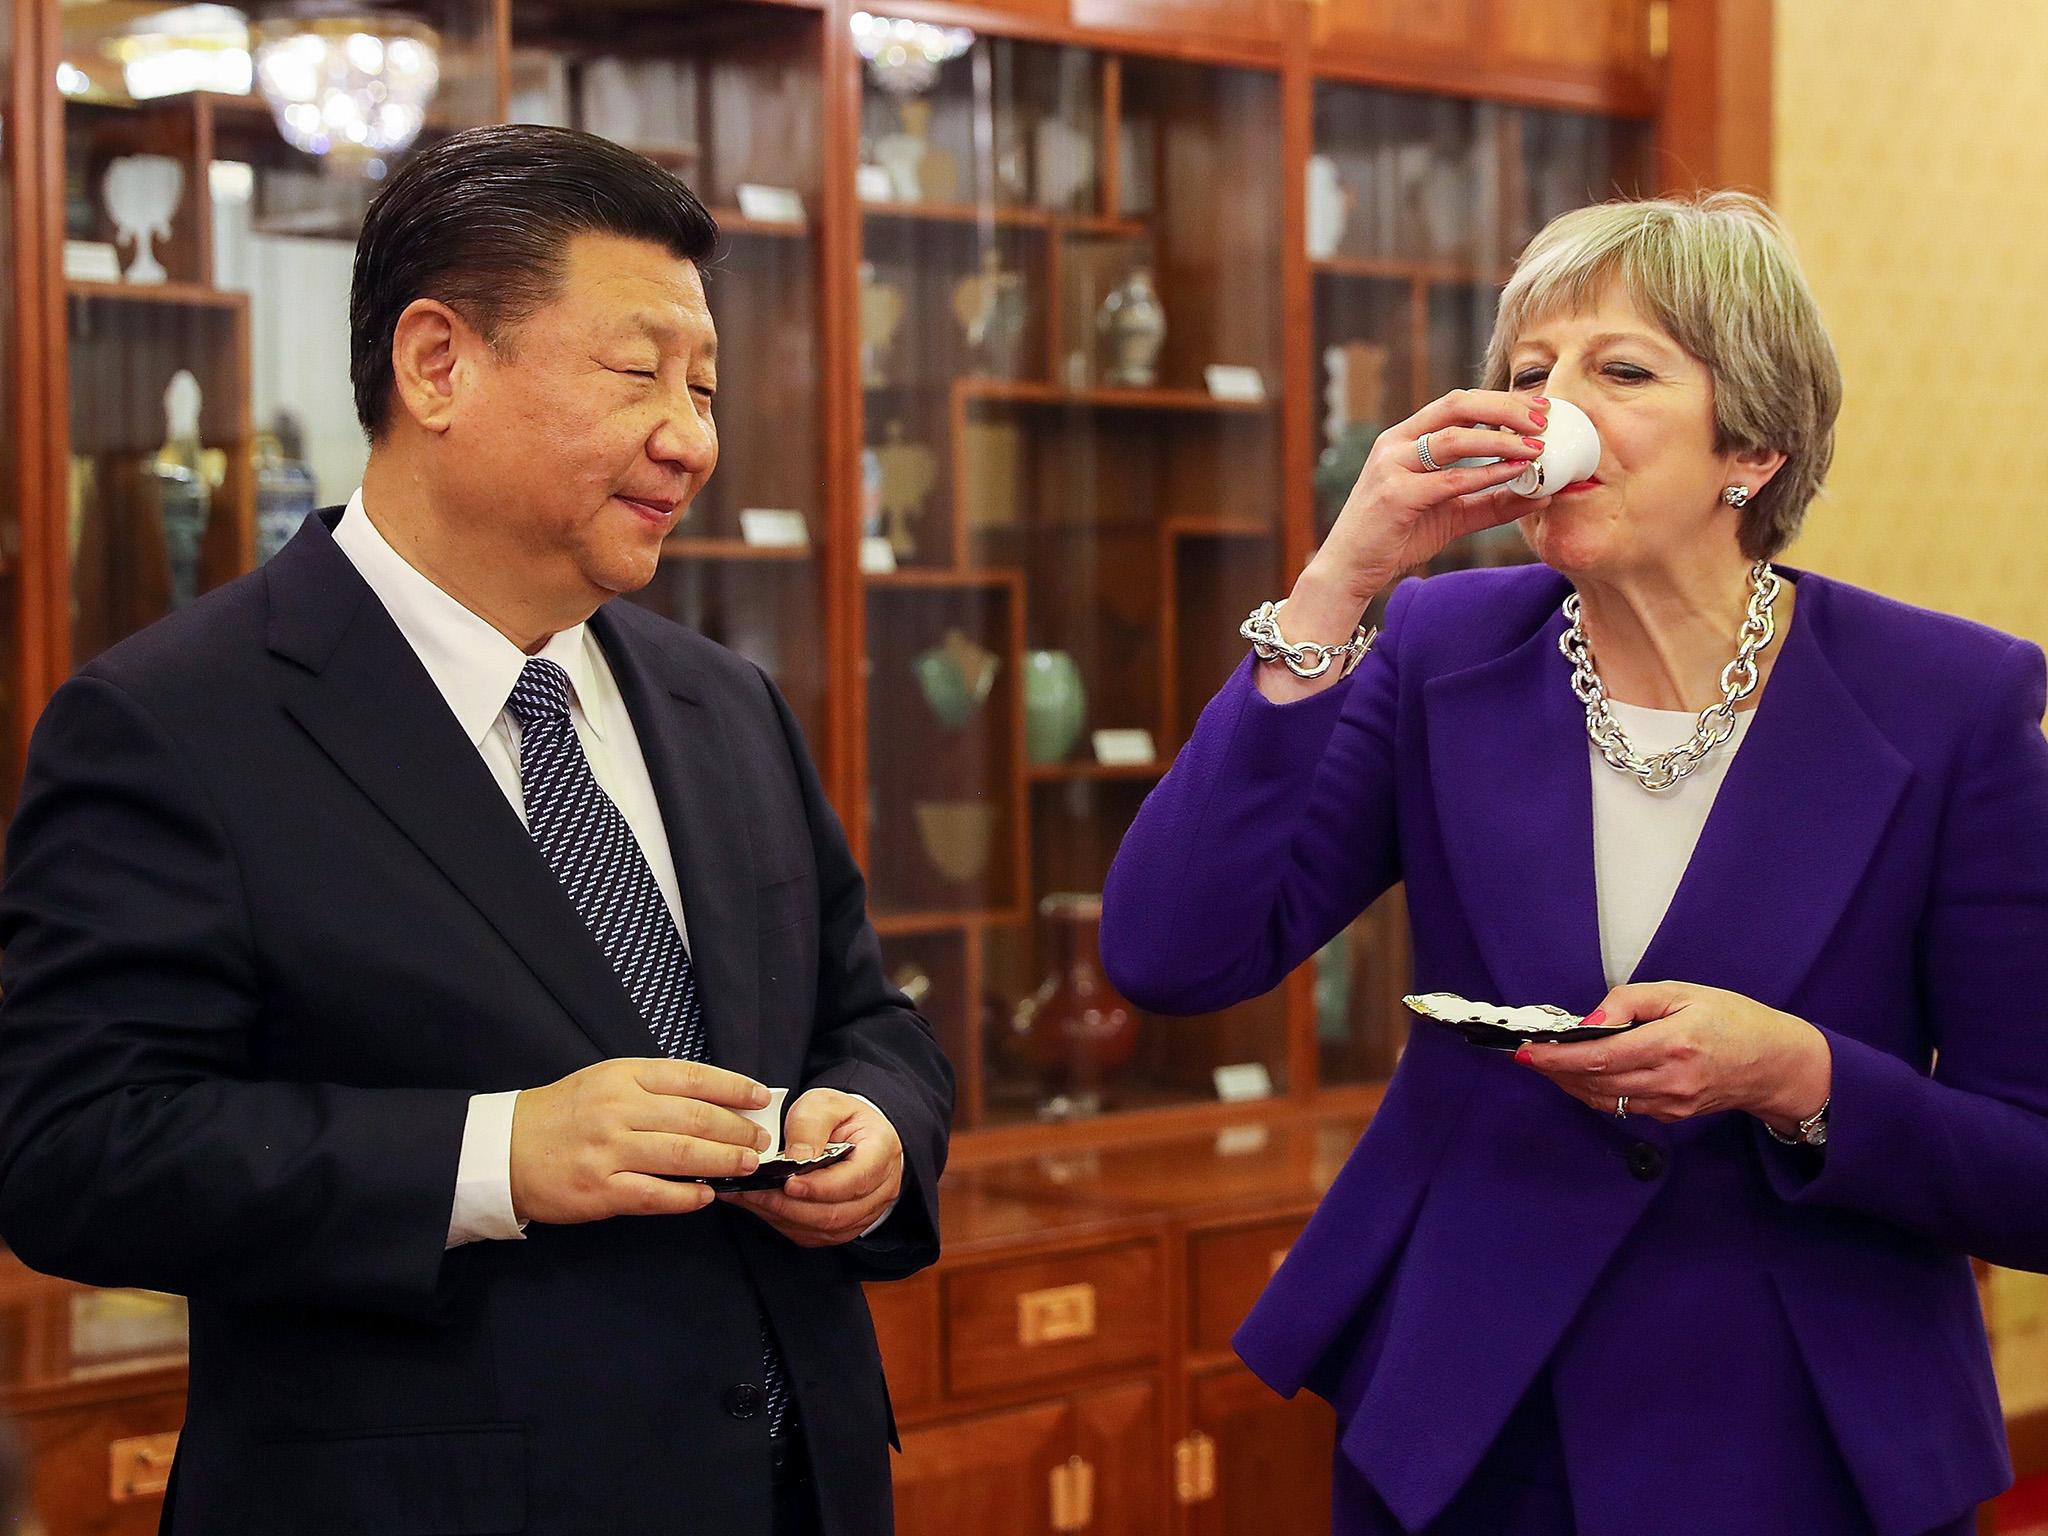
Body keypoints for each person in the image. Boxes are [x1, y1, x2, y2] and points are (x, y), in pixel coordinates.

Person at [0, 124, 953, 1536]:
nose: (692, 436)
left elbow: (868, 1019)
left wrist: (874, 1130)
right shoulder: (174, 721)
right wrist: (497, 1156)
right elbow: (76, 1151)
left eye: (705, 386)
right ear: (437, 362)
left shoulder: (725, 701)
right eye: (640, 375)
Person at [1100, 191, 2043, 1536]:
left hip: (1805, 1439)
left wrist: (1802, 1078)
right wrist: (1338, 581)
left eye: (1621, 369)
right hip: (1470, 1420)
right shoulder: (1440, 647)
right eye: (1527, 374)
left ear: (1756, 444)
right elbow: (1172, 953)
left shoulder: (1952, 701)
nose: (1552, 412)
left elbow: (2034, 1160)